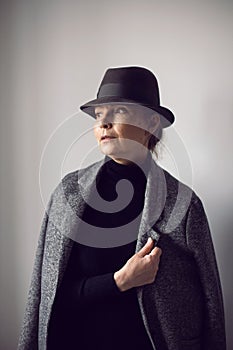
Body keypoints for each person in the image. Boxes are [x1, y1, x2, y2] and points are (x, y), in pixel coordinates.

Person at [18, 66, 226, 350]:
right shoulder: (68, 194)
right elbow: (46, 296)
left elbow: (211, 307)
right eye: (99, 115)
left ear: (152, 124)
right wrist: (120, 281)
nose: (104, 123)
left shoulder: (184, 205)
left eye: (119, 111)